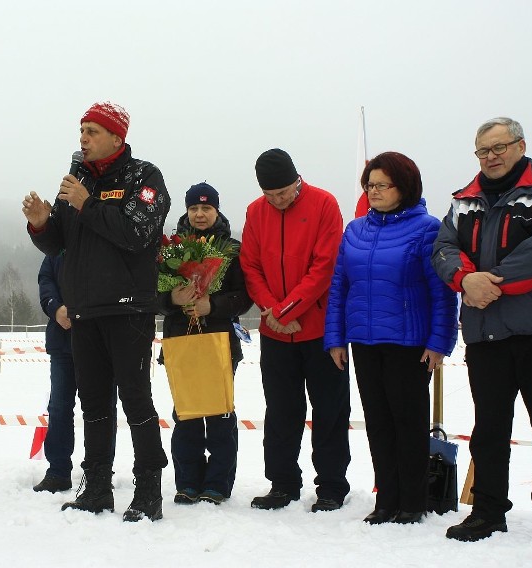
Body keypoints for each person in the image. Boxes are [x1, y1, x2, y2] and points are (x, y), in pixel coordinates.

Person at [22, 101, 170, 522]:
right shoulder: (77, 181)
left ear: (116, 137)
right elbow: (60, 244)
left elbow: (138, 232)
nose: (83, 138)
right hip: (85, 312)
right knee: (93, 405)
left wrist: (87, 204)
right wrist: (42, 224)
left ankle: (148, 491)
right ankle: (97, 487)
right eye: (81, 130)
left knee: (136, 400)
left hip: (128, 309)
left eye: (92, 131)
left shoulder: (144, 176)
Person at [433, 117, 532, 542]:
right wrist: (464, 280)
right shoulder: (464, 201)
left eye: (499, 147)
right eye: (483, 151)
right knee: (489, 429)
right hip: (485, 335)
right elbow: (443, 248)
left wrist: (489, 282)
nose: (491, 157)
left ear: (521, 146)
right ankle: (487, 510)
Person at [324, 152, 458, 524]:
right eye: (370, 185)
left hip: (409, 344)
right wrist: (335, 338)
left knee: (408, 423)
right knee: (378, 422)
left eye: (383, 185)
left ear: (405, 187)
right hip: (364, 342)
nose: (374, 191)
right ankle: (387, 498)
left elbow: (442, 293)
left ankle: (413, 502)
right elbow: (339, 288)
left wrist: (438, 342)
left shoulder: (427, 228)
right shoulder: (355, 230)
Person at [239, 148, 351, 513]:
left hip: (320, 330)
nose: (279, 200)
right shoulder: (256, 211)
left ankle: (332, 485)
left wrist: (288, 309)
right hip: (275, 334)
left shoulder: (324, 204)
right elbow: (250, 266)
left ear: (297, 179)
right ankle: (282, 483)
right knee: (282, 411)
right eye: (271, 195)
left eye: (284, 192)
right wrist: (272, 310)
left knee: (330, 411)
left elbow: (325, 266)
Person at [158, 183, 252, 505]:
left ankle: (217, 484)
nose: (200, 214)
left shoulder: (232, 249)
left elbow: (244, 297)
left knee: (219, 413)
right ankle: (187, 482)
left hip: (219, 344)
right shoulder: (169, 250)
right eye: (194, 208)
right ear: (186, 211)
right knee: (186, 415)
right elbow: (152, 296)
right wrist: (173, 298)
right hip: (180, 341)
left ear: (216, 210)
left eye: (206, 208)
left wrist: (213, 305)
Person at [33, 253, 118, 493]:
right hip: (63, 342)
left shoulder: (103, 236)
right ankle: (58, 471)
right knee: (59, 407)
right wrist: (56, 309)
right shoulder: (56, 247)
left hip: (101, 342)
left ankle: (100, 471)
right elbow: (46, 280)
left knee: (103, 408)